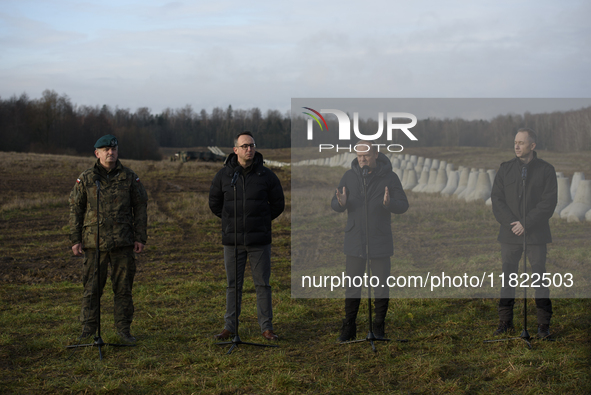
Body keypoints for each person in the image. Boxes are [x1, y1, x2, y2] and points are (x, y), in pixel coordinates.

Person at [69, 134, 148, 343]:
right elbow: (76, 209)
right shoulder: (86, 178)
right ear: (97, 153)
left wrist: (140, 237)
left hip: (123, 243)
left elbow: (140, 207)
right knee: (92, 289)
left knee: (123, 289)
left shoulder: (130, 177)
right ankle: (88, 330)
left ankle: (124, 331)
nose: (110, 153)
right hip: (94, 244)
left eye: (113, 149)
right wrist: (75, 239)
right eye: (105, 150)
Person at [209, 131, 285, 341]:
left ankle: (266, 328)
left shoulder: (266, 176)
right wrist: (230, 222)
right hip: (232, 242)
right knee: (233, 285)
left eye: (252, 145)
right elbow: (214, 204)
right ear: (235, 150)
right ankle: (230, 327)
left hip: (259, 242)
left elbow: (278, 204)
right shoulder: (223, 175)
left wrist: (260, 221)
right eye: (244, 146)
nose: (249, 149)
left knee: (263, 285)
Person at [331, 141, 409, 342]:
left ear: (375, 154)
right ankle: (349, 326)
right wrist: (341, 203)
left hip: (380, 240)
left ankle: (379, 326)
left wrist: (389, 204)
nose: (362, 159)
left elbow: (403, 204)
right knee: (352, 285)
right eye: (359, 155)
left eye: (365, 155)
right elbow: (336, 202)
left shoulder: (390, 177)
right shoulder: (349, 176)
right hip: (355, 239)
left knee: (381, 286)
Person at [491, 128, 557, 338]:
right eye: (515, 143)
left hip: (536, 234)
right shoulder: (506, 169)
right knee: (508, 278)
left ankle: (543, 326)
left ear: (532, 145)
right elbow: (497, 199)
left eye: (521, 142)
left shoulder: (546, 170)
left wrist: (526, 223)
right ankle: (505, 321)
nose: (517, 146)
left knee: (539, 279)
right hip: (510, 234)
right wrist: (513, 223)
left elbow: (549, 203)